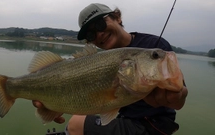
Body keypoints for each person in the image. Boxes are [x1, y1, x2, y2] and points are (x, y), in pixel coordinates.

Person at [33, 3, 188, 135]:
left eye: (101, 24)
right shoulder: (101, 60)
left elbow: (179, 100)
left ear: (117, 17)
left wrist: (177, 95)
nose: (99, 34)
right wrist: (57, 103)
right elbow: (94, 99)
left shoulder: (155, 48)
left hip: (152, 126)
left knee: (75, 124)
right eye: (91, 34)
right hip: (124, 120)